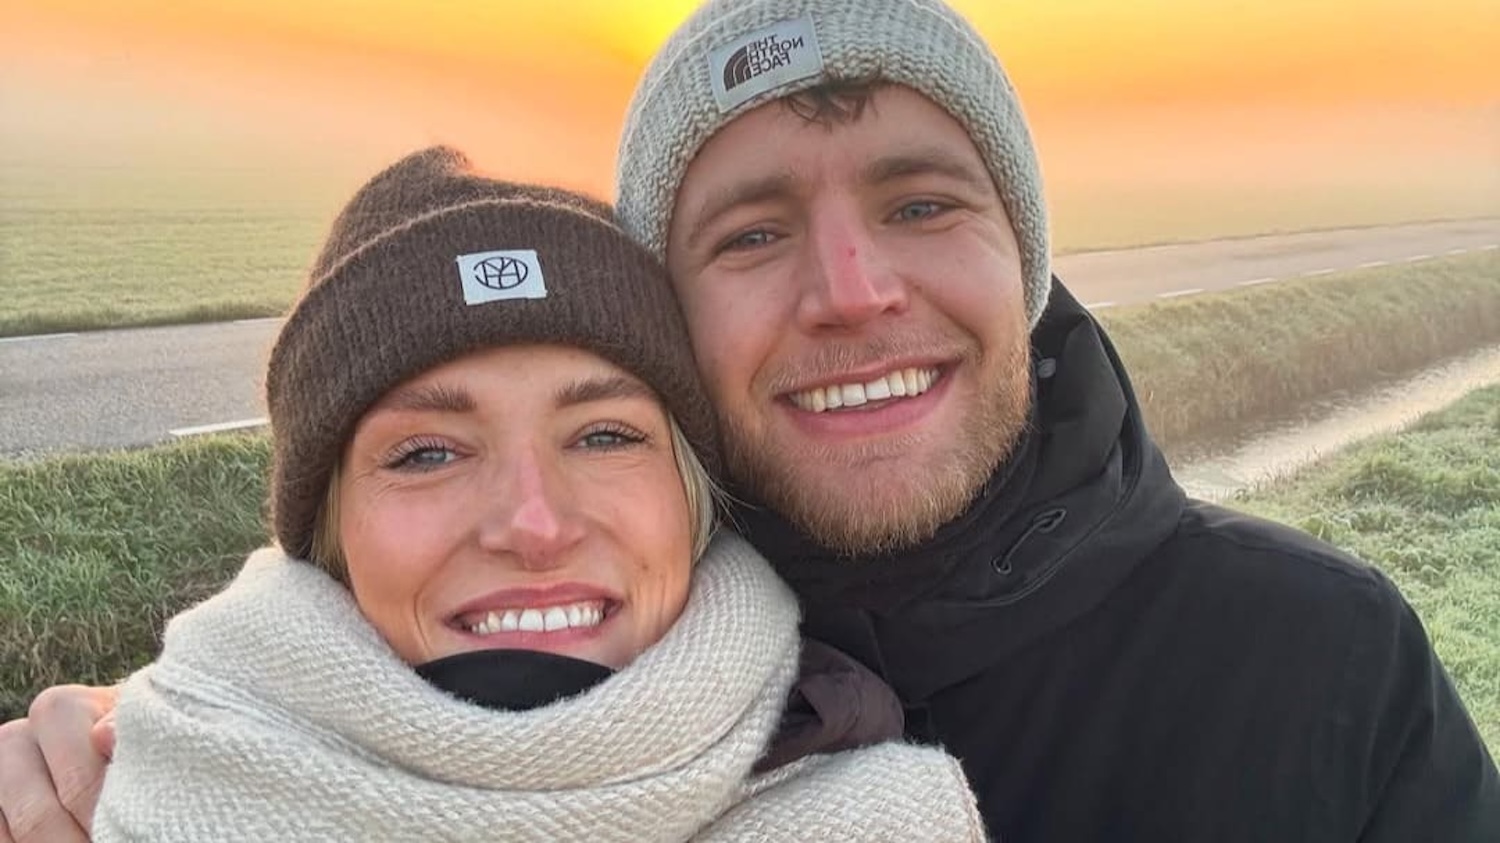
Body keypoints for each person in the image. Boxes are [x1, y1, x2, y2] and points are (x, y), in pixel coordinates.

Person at [3, 0, 1498, 839]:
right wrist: (158, 753)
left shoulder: (1323, 666)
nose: (851, 291)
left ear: (1026, 259)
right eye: (753, 232)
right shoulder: (373, 715)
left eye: (923, 203)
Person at [75, 147, 986, 841]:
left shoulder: (889, 821)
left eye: (604, 435)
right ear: (328, 529)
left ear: (694, 500)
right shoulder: (116, 792)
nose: (535, 525)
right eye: (427, 453)